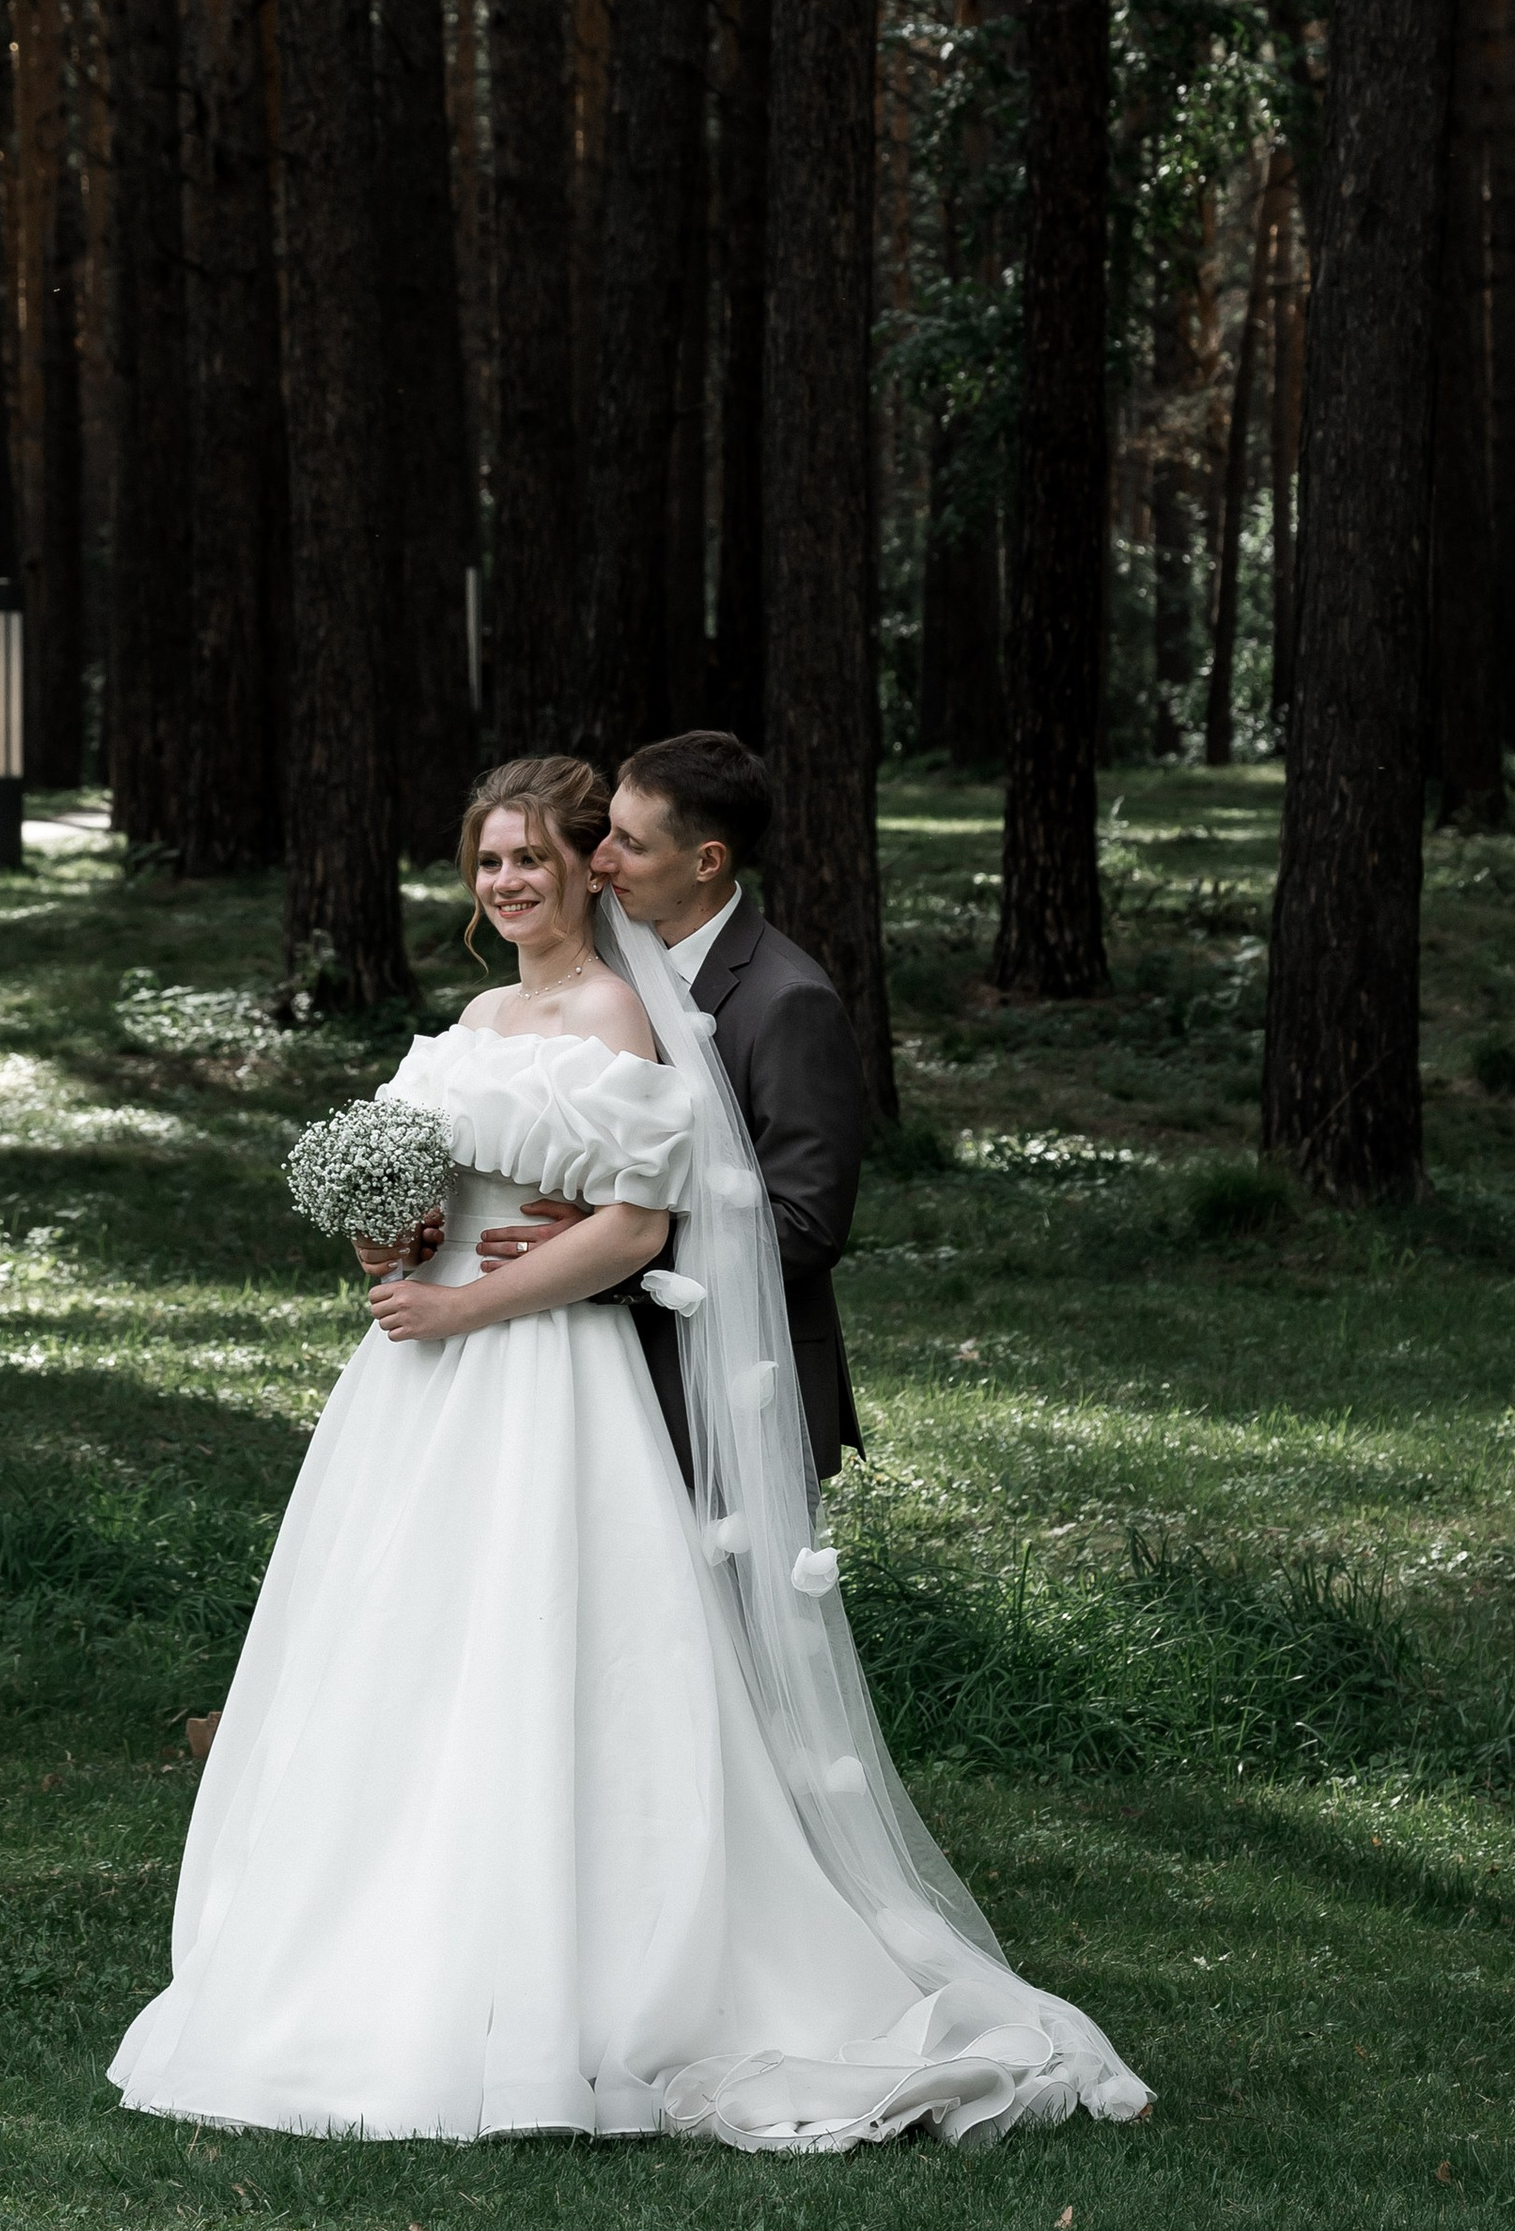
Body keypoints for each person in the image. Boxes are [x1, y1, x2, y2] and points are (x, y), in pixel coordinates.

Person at [108, 755, 1149, 2152]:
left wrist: (469, 1298)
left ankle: (577, 1982)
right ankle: (380, 1951)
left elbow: (641, 1228)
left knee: (555, 1655)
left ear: (593, 864)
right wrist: (392, 1236)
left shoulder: (620, 1012)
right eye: (489, 863)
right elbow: (440, 1186)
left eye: (537, 857)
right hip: (423, 1383)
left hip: (546, 1372)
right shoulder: (474, 1013)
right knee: (406, 1654)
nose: (513, 883)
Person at [481, 731, 865, 1499]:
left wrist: (608, 1253)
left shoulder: (788, 1001)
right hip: (588, 1356)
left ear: (706, 862)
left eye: (629, 842)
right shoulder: (608, 972)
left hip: (727, 1363)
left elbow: (805, 1225)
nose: (599, 861)